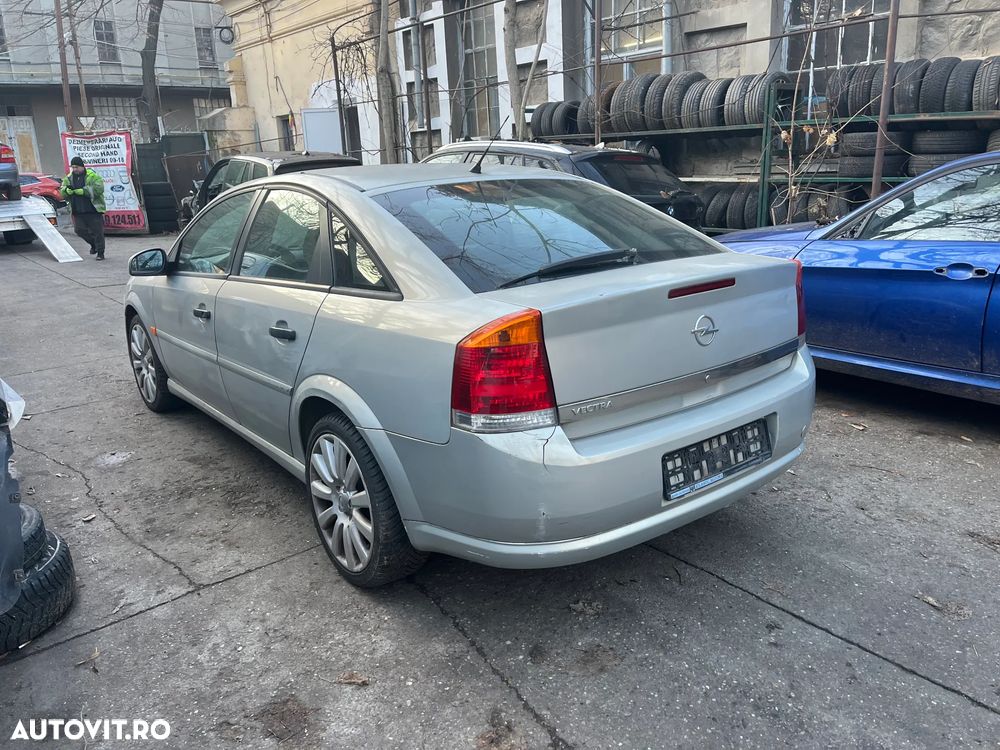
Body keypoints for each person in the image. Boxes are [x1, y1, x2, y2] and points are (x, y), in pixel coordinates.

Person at [60, 156, 106, 260]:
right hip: (78, 210)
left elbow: (99, 189)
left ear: (82, 166)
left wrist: (84, 191)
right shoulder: (69, 178)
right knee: (79, 230)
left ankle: (100, 253)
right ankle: (94, 244)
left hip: (93, 210)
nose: (75, 169)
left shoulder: (93, 176)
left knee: (97, 232)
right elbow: (62, 190)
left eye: (76, 167)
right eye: (73, 167)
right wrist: (66, 191)